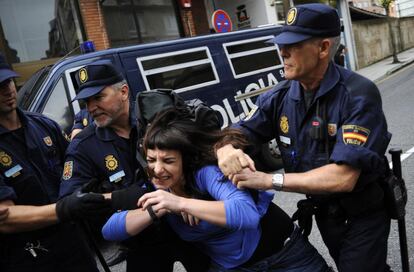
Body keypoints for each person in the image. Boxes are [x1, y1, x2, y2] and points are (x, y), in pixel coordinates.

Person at [214, 3, 392, 272]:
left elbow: (343, 178)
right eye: (281, 44)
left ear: (322, 48)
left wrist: (268, 180)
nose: (282, 52)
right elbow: (239, 133)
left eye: (293, 45)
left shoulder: (357, 95)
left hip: (362, 214)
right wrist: (224, 148)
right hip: (325, 214)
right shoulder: (281, 96)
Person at [102, 108, 331, 272]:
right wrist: (155, 210)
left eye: (168, 160)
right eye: (151, 159)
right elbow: (110, 230)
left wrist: (182, 203)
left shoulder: (205, 173)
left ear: (186, 160)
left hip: (283, 255)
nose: (158, 169)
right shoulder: (155, 186)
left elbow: (246, 214)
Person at [58, 59, 210, 272]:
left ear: (123, 91)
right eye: (86, 102)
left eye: (98, 97)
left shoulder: (159, 116)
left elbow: (201, 153)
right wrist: (114, 198)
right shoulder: (83, 145)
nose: (91, 108)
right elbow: (71, 200)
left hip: (190, 226)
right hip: (141, 241)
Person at [0, 52, 99, 271]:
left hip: (72, 241)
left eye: (8, 81)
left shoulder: (43, 125)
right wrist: (63, 209)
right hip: (27, 254)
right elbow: (5, 217)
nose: (7, 90)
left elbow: (75, 167)